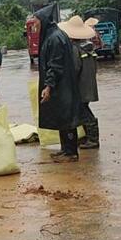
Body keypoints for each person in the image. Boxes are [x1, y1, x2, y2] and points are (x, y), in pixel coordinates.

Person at [37, 9, 84, 162]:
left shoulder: (55, 38)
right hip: (61, 85)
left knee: (67, 118)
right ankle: (65, 149)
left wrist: (48, 86)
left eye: (37, 21)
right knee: (61, 117)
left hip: (62, 85)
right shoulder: (53, 35)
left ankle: (71, 153)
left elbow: (55, 65)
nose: (35, 24)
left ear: (43, 21)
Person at [74, 20, 100, 149]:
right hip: (90, 84)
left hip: (80, 85)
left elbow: (75, 68)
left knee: (83, 111)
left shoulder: (76, 49)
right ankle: (87, 137)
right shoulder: (90, 47)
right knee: (82, 109)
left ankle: (93, 139)